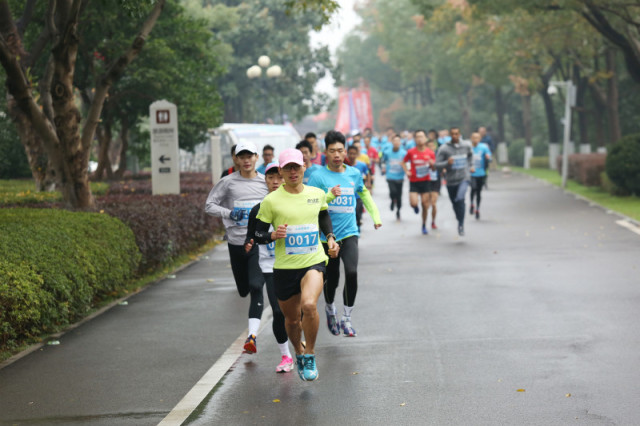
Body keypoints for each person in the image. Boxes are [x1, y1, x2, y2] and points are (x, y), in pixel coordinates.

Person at [251, 148, 340, 382]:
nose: (292, 172)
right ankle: (298, 353)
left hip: (313, 261)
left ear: (304, 168)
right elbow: (257, 234)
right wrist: (272, 236)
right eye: (287, 168)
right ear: (280, 171)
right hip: (284, 268)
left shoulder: (316, 194)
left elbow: (323, 216)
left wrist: (330, 237)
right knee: (291, 320)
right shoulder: (271, 201)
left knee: (309, 305)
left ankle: (309, 353)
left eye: (296, 167)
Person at [308, 130, 382, 338]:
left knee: (351, 272)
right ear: (326, 152)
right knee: (332, 279)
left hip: (349, 233)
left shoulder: (354, 173)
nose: (337, 155)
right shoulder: (317, 176)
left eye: (340, 150)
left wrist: (375, 216)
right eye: (332, 151)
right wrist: (329, 196)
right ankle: (330, 308)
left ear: (345, 151)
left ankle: (347, 317)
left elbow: (364, 192)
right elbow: (311, 203)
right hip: (327, 237)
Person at [205, 141, 269, 354]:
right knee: (243, 289)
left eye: (249, 156)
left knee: (256, 286)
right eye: (242, 156)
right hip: (236, 243)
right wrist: (229, 213)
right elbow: (209, 205)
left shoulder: (264, 183)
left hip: (257, 244)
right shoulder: (228, 182)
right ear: (236, 159)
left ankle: (252, 337)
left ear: (256, 157)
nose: (246, 160)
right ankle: (246, 293)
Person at [244, 162, 293, 373]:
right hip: (269, 267)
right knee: (277, 311)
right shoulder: (258, 209)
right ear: (265, 180)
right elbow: (251, 236)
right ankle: (286, 355)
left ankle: (301, 347)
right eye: (271, 178)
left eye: (279, 177)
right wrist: (250, 243)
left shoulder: (295, 204)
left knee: (298, 312)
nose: (275, 182)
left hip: (295, 265)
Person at [435, 127, 474, 236]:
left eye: (457, 134)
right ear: (450, 135)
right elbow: (436, 165)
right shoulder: (444, 149)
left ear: (459, 134)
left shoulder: (466, 145)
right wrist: (447, 163)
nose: (455, 136)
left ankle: (461, 224)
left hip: (464, 178)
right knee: (455, 202)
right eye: (452, 134)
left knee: (460, 198)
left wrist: (471, 166)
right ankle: (459, 217)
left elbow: (471, 156)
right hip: (451, 180)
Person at [402, 129, 436, 235]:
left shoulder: (430, 153)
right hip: (414, 181)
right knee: (413, 203)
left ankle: (424, 224)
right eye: (417, 137)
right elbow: (403, 162)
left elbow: (434, 169)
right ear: (415, 139)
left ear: (425, 138)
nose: (420, 139)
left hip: (425, 181)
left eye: (422, 136)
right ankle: (415, 207)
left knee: (425, 205)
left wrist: (432, 164)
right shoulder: (411, 152)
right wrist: (407, 171)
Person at [381, 134, 407, 220]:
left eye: (398, 141)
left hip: (400, 177)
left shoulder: (404, 153)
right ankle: (392, 200)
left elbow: (407, 163)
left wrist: (408, 171)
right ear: (392, 142)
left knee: (399, 195)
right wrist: (383, 169)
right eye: (395, 141)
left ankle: (398, 210)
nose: (396, 142)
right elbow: (383, 161)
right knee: (393, 192)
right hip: (390, 176)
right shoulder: (387, 152)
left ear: (400, 142)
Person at [346, 143, 370, 229]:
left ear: (357, 154)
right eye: (350, 153)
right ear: (347, 154)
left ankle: (358, 226)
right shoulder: (344, 166)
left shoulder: (362, 165)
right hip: (348, 194)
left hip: (358, 194)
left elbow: (367, 175)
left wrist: (368, 186)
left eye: (354, 153)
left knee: (358, 212)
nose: (352, 155)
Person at [469, 132, 492, 220]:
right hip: (471, 173)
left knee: (478, 192)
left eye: (477, 138)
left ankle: (477, 209)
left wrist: (488, 157)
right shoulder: (468, 148)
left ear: (480, 139)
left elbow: (489, 157)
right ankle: (471, 204)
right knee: (473, 188)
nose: (475, 139)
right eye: (474, 137)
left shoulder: (483, 147)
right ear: (471, 138)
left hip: (481, 173)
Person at [426, 130, 441, 229]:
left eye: (433, 146)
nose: (431, 148)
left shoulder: (438, 156)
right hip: (426, 181)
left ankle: (433, 221)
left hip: (436, 180)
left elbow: (442, 165)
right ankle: (425, 221)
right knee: (426, 204)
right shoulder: (423, 155)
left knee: (434, 203)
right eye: (429, 146)